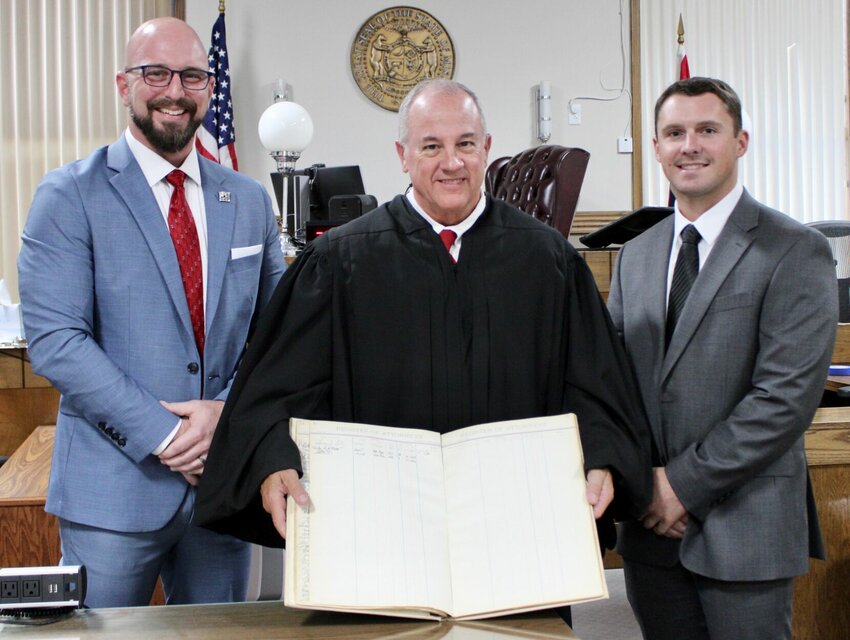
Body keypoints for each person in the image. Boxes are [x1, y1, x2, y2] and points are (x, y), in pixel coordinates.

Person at [194, 79, 652, 558]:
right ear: (403, 154)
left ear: (486, 149)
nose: (451, 163)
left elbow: (595, 383)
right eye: (431, 146)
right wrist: (271, 457)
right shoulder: (339, 263)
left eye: (466, 144)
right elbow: (276, 389)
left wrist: (602, 454)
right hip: (380, 528)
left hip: (518, 528)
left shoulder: (547, 259)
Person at [17, 17, 284, 608]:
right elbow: (58, 341)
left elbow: (278, 335)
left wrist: (223, 417)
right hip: (112, 493)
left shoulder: (246, 199)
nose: (174, 89)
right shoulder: (69, 196)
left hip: (221, 490)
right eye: (155, 73)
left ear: (209, 90)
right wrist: (167, 435)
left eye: (191, 76)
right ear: (123, 84)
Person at [607, 77, 837, 640]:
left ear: (740, 141)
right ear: (657, 147)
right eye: (674, 133)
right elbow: (615, 385)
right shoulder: (636, 256)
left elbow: (784, 400)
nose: (690, 146)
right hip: (651, 534)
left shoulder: (795, 249)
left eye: (708, 130)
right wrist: (643, 486)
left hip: (745, 529)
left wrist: (678, 486)